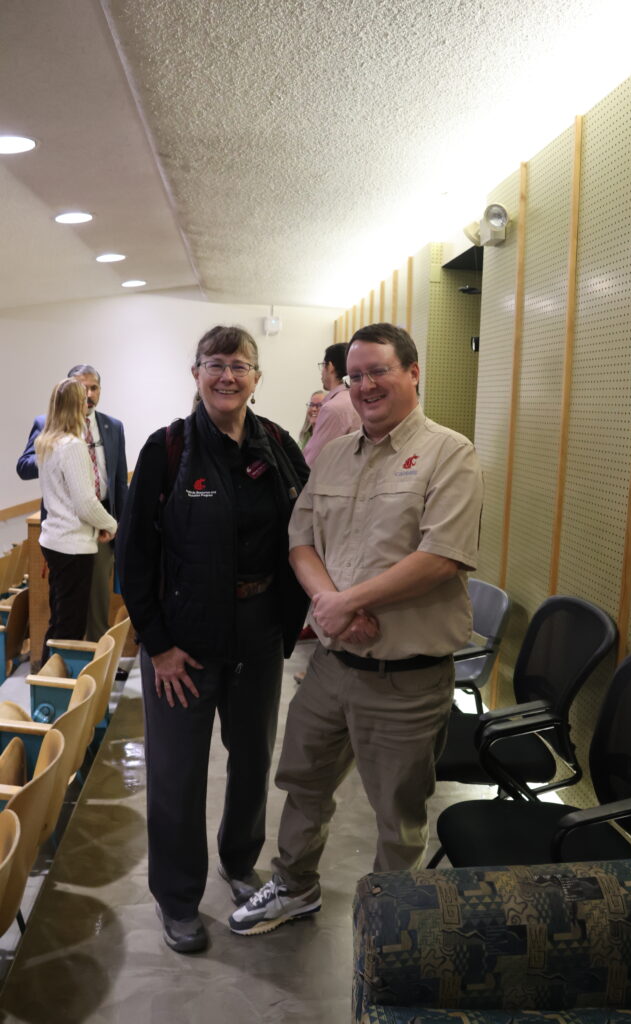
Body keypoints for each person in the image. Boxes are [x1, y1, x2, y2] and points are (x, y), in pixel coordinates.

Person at [229, 322, 484, 936]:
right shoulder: (338, 451)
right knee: (303, 784)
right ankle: (294, 886)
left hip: (406, 680)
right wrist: (331, 603)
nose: (365, 385)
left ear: (413, 373)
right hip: (333, 667)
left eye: (379, 371)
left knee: (396, 816)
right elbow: (301, 536)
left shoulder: (451, 453)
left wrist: (347, 602)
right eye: (355, 375)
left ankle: (392, 927)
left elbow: (442, 555)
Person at [116, 325, 309, 955]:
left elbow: (307, 533)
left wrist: (291, 620)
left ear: (258, 377)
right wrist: (158, 645)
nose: (228, 376)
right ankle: (177, 900)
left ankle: (238, 859)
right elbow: (134, 558)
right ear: (195, 373)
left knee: (253, 759)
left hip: (258, 635)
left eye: (240, 366)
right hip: (182, 645)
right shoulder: (167, 450)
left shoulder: (279, 447)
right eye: (215, 364)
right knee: (176, 775)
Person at [17, 364, 128, 641]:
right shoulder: (55, 433)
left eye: (93, 388)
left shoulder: (111, 426)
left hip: (95, 522)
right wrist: (57, 452)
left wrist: (118, 525)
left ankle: (91, 665)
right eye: (82, 389)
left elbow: (118, 480)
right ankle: (66, 675)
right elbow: (25, 467)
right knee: (69, 617)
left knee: (90, 604)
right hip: (72, 527)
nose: (88, 395)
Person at [35, 378, 118, 663]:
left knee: (58, 620)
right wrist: (111, 524)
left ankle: (46, 679)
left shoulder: (46, 442)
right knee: (70, 627)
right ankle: (57, 692)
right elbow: (85, 503)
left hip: (53, 540)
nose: (88, 403)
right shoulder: (73, 446)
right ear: (76, 405)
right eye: (84, 399)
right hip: (72, 545)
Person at [302, 342, 360, 466]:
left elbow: (312, 461)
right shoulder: (356, 399)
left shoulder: (333, 408)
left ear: (331, 366)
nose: (321, 372)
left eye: (323, 366)